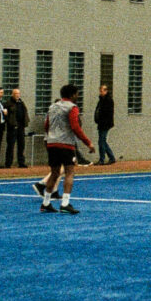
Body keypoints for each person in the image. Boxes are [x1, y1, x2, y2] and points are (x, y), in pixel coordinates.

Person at [33, 84, 92, 214]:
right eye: (77, 94)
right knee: (69, 172)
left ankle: (46, 203)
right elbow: (75, 127)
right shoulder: (72, 107)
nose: (78, 96)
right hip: (65, 143)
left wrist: (50, 138)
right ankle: (65, 203)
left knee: (54, 173)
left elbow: (46, 125)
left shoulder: (52, 107)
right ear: (72, 95)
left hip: (51, 142)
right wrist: (88, 143)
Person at [4, 86, 29, 168]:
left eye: (18, 93)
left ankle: (21, 162)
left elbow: (25, 113)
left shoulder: (21, 103)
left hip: (21, 127)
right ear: (12, 94)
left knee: (21, 145)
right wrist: (10, 122)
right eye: (15, 93)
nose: (17, 95)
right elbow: (6, 115)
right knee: (10, 146)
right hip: (12, 127)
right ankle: (8, 163)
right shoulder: (8, 103)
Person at [94, 84, 117, 165]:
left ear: (106, 91)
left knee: (101, 141)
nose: (100, 92)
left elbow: (107, 113)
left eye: (102, 91)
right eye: (100, 91)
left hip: (105, 124)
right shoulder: (101, 100)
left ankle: (102, 159)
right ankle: (111, 157)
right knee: (103, 141)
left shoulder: (108, 100)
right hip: (102, 123)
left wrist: (102, 121)